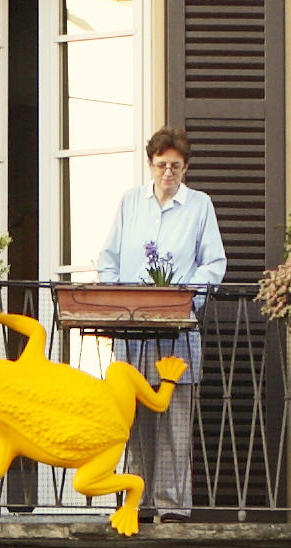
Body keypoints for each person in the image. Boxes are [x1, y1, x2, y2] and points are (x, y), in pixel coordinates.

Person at [90, 124, 223, 514]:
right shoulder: (131, 202)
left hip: (177, 335)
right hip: (131, 336)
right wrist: (117, 305)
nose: (169, 173)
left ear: (185, 169)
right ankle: (137, 502)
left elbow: (213, 264)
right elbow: (109, 260)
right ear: (150, 164)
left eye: (177, 167)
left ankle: (172, 506)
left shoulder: (200, 205)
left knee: (175, 423)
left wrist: (184, 301)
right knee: (132, 425)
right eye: (162, 165)